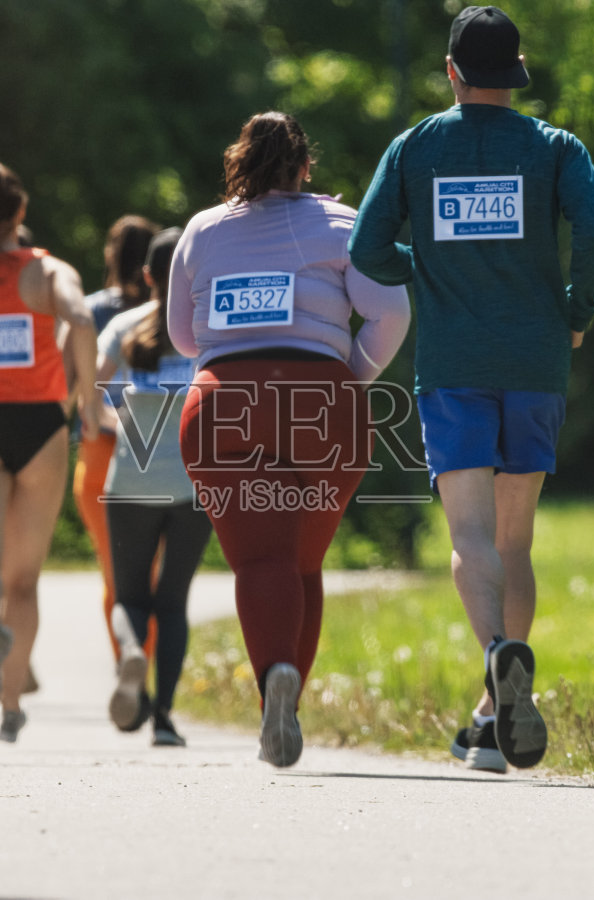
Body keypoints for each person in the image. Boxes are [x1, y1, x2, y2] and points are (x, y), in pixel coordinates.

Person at [347, 6, 594, 773]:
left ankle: (499, 657)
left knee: (468, 537)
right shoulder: (555, 147)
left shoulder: (414, 147)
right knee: (514, 542)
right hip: (536, 364)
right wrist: (576, 311)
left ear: (452, 72)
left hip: (455, 368)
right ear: (517, 73)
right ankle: (496, 716)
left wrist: (426, 263)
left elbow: (367, 248)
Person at [169, 112, 410, 767]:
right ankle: (290, 696)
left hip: (224, 406)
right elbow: (392, 310)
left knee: (260, 561)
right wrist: (347, 375)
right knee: (302, 560)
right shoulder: (343, 222)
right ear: (306, 167)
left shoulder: (202, 229)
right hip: (324, 406)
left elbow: (184, 339)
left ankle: (274, 675)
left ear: (237, 164)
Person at [0, 158, 101, 742]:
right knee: (24, 581)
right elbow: (82, 319)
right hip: (40, 425)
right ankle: (9, 708)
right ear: (20, 212)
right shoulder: (47, 270)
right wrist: (85, 401)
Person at [97, 227, 209, 747]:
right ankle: (163, 718)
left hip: (130, 482)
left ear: (146, 275)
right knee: (173, 602)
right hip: (194, 484)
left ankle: (131, 654)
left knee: (129, 597)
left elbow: (92, 397)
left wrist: (118, 422)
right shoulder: (206, 329)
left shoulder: (123, 326)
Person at [74, 214, 160, 671]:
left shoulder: (89, 313)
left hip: (100, 452)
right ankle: (147, 665)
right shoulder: (167, 317)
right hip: (160, 450)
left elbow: (78, 389)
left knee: (117, 571)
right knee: (155, 571)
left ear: (111, 255)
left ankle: (128, 661)